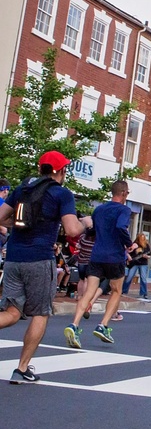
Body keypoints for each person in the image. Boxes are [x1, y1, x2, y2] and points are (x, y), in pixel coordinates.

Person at [0, 151, 91, 383]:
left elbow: (1, 217)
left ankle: (22, 367)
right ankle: (21, 368)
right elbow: (71, 230)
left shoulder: (22, 189)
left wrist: (19, 225)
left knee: (11, 313)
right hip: (40, 259)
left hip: (13, 258)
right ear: (61, 171)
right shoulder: (62, 194)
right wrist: (85, 223)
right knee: (40, 313)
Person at [64, 180, 132, 348]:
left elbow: (92, 231)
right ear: (123, 193)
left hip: (96, 255)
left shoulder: (99, 209)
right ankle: (103, 325)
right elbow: (121, 227)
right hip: (114, 256)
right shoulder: (124, 210)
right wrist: (128, 243)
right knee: (116, 290)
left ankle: (74, 324)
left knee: (89, 292)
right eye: (127, 193)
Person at [122, 232, 151, 299]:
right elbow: (128, 252)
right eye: (141, 238)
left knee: (143, 278)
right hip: (134, 263)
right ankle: (124, 290)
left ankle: (144, 293)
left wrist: (145, 256)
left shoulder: (146, 246)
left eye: (143, 238)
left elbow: (149, 256)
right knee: (129, 277)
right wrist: (130, 258)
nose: (142, 239)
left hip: (143, 263)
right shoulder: (134, 244)